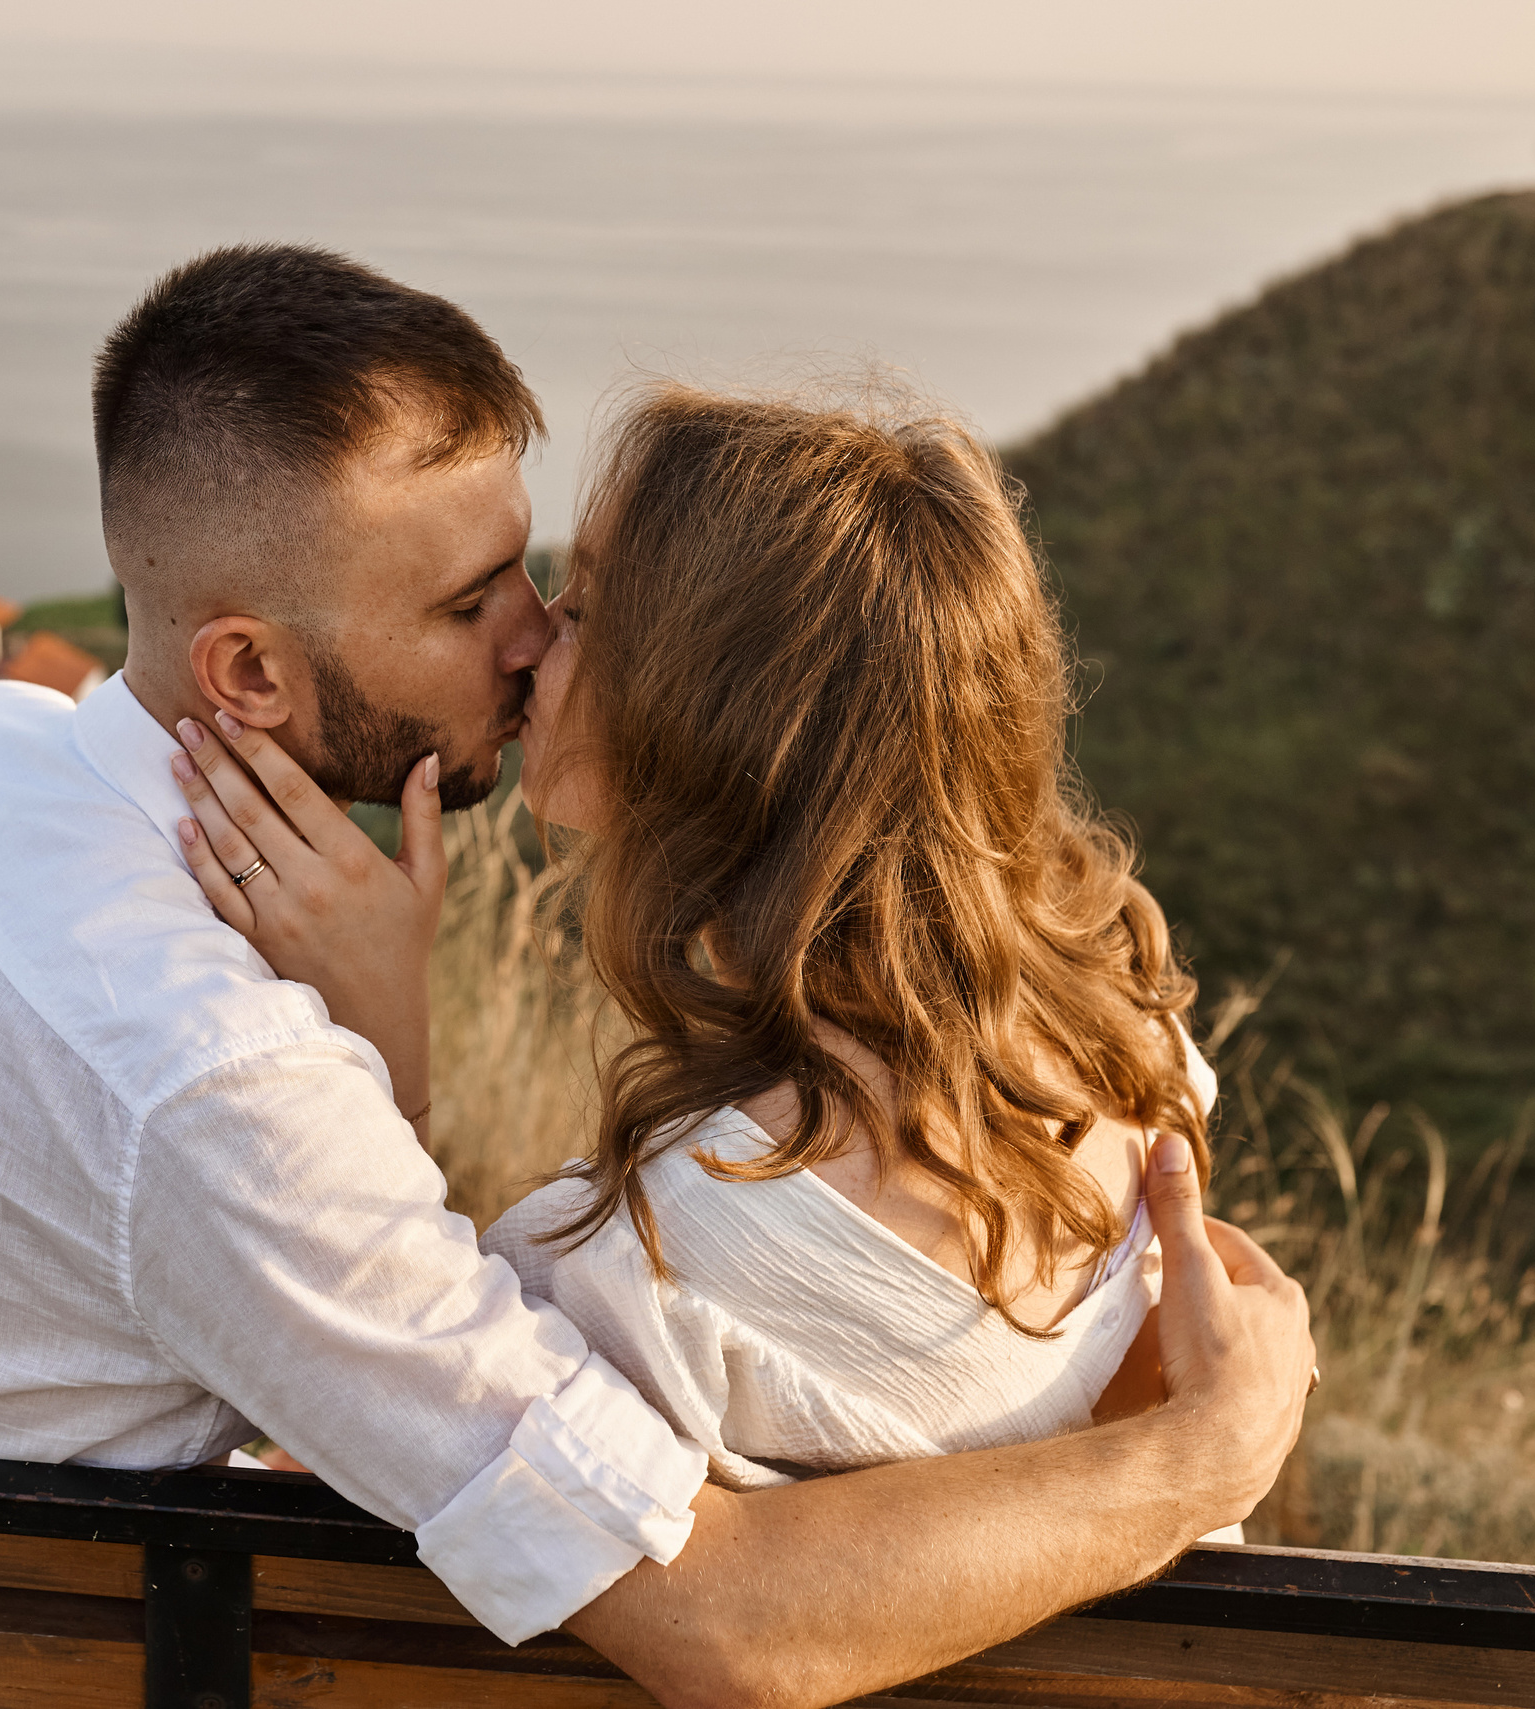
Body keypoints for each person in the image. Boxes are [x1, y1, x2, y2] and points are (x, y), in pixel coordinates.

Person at [0, 242, 1314, 1709]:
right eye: (476, 603)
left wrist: (357, 1054)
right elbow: (713, 1615)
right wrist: (1208, 1453)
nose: (531, 638)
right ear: (248, 669)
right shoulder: (233, 1086)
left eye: (550, 586)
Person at [174, 379, 1276, 1535]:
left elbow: (378, 1477)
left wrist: (378, 1048)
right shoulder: (1127, 1036)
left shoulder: (650, 1260)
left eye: (587, 609)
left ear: (714, 713)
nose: (531, 638)